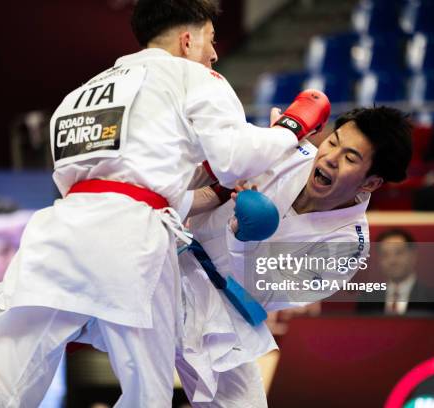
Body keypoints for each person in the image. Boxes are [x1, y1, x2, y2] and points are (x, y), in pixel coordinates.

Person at [0, 1, 330, 407]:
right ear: (188, 38)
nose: (215, 55)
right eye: (212, 41)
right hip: (132, 243)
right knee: (146, 392)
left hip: (62, 229)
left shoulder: (81, 93)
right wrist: (290, 130)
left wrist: (206, 194)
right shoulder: (193, 75)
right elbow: (236, 158)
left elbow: (118, 180)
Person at [173, 106, 413, 405]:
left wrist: (245, 239)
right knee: (146, 387)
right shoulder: (287, 153)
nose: (329, 158)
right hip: (169, 259)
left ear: (371, 182)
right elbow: (196, 170)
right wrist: (258, 144)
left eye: (350, 158)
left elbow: (264, 293)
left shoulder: (348, 246)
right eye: (333, 141)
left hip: (220, 314)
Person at [357, 228, 434, 317]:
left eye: (398, 253)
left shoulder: (433, 298)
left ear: (413, 255)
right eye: (385, 254)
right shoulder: (367, 298)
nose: (392, 260)